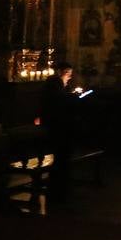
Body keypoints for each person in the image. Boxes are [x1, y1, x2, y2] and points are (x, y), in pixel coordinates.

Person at [40, 62, 80, 205]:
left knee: (62, 156)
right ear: (59, 72)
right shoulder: (54, 84)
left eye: (70, 73)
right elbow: (58, 102)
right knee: (61, 155)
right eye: (66, 73)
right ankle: (58, 187)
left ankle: (61, 185)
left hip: (62, 125)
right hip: (57, 126)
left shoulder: (60, 85)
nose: (69, 76)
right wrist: (73, 97)